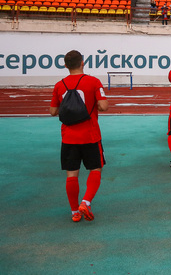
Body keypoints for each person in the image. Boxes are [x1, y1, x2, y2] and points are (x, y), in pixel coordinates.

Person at [50, 50, 109, 222]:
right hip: (90, 135)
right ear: (82, 63)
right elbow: (104, 106)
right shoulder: (93, 82)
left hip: (68, 137)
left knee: (71, 174)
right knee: (95, 169)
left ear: (65, 65)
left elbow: (53, 111)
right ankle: (86, 201)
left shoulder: (59, 85)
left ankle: (74, 212)